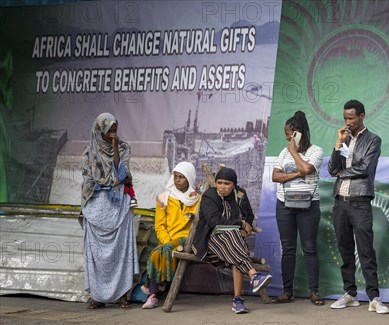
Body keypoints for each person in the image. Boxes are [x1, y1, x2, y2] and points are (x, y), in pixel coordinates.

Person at [327, 99, 389, 314]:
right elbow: (331, 168)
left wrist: (341, 173)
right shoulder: (344, 140)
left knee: (365, 250)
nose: (348, 122)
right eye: (345, 118)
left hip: (360, 202)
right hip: (340, 203)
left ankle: (374, 297)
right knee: (345, 250)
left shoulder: (373, 140)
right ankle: (350, 294)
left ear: (362, 116)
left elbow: (365, 168)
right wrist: (338, 144)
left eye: (351, 118)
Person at [192, 167, 272, 313]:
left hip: (232, 246)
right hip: (210, 243)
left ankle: (240, 297)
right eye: (219, 183)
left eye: (227, 183)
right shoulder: (209, 196)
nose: (222, 187)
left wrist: (246, 228)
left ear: (234, 184)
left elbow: (249, 215)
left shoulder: (240, 195)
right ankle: (248, 284)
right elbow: (216, 222)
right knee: (234, 240)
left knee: (234, 241)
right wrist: (240, 224)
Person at [81, 112, 139, 310]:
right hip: (96, 207)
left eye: (115, 130)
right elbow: (89, 180)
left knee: (120, 252)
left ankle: (122, 295)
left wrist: (114, 148)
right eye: (109, 131)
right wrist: (106, 184)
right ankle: (97, 296)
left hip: (118, 207)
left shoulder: (123, 148)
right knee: (97, 254)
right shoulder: (88, 153)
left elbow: (122, 175)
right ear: (100, 131)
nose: (113, 134)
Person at [271, 111, 325, 306]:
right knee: (288, 249)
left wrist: (294, 152)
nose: (287, 138)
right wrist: (296, 173)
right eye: (286, 134)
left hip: (308, 206)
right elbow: (275, 177)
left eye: (290, 134)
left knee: (309, 249)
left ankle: (314, 292)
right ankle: (287, 291)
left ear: (299, 133)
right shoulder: (282, 152)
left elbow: (307, 169)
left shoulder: (316, 151)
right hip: (284, 205)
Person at [141, 161, 200, 309]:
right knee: (157, 253)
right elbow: (159, 226)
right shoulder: (163, 198)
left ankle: (155, 288)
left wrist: (202, 191)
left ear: (190, 179)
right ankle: (153, 295)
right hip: (169, 241)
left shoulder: (197, 199)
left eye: (182, 177)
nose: (177, 180)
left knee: (165, 250)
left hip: (188, 240)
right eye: (176, 176)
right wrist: (167, 241)